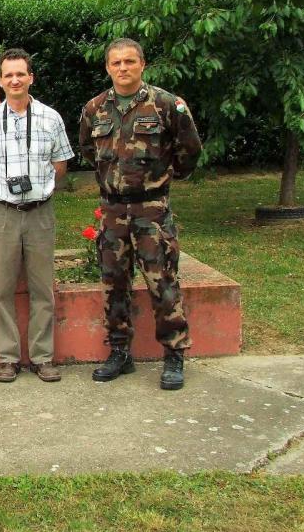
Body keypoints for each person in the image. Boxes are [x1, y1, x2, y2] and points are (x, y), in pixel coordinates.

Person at [78, 38, 203, 390]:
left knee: (162, 283)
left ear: (142, 64)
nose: (123, 68)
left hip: (152, 210)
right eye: (116, 63)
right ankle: (119, 352)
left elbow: (189, 150)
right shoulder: (95, 109)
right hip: (113, 210)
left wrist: (161, 180)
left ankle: (174, 355)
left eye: (130, 61)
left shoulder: (166, 105)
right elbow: (89, 149)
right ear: (107, 67)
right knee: (114, 284)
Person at [0, 48, 74, 383]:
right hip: (2, 213)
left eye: (21, 74)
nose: (15, 80)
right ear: (0, 80)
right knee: (2, 288)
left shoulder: (51, 118)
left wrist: (39, 190)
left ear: (32, 77)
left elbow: (60, 165)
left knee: (42, 287)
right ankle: (7, 358)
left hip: (40, 213)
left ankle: (43, 357)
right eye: (8, 75)